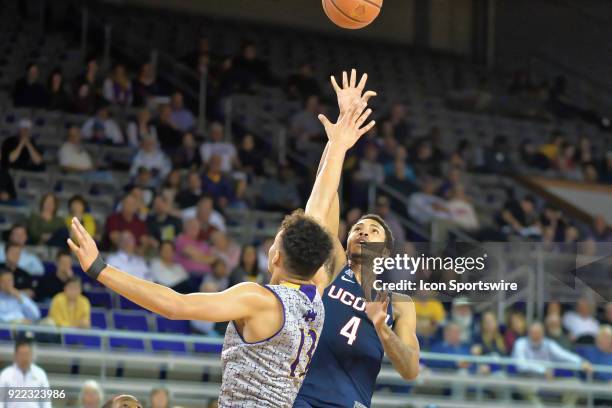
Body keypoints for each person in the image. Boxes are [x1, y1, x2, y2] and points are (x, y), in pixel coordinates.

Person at [67, 202, 332, 406]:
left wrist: (99, 269)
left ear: (276, 257)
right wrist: (336, 149)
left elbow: (174, 306)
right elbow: (319, 217)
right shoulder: (317, 302)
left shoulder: (258, 299)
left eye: (274, 243)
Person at [295, 70, 420, 408]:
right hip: (299, 397)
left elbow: (410, 370)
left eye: (374, 230)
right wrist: (340, 137)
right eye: (358, 227)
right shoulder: (333, 263)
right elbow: (322, 195)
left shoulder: (400, 303)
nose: (363, 231)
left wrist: (383, 329)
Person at [512, 322, 592, 406]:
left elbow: (564, 355)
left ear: (543, 333)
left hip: (547, 380)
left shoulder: (548, 344)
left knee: (575, 384)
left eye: (538, 332)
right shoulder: (520, 343)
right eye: (533, 332)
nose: (536, 335)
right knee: (523, 386)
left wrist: (581, 361)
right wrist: (543, 370)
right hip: (527, 379)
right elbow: (521, 365)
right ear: (528, 333)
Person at [0, 339, 51, 408]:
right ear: (15, 355)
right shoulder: (5, 375)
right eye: (21, 354)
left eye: (27, 354)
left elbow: (46, 402)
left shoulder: (40, 374)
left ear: (31, 355)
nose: (24, 358)